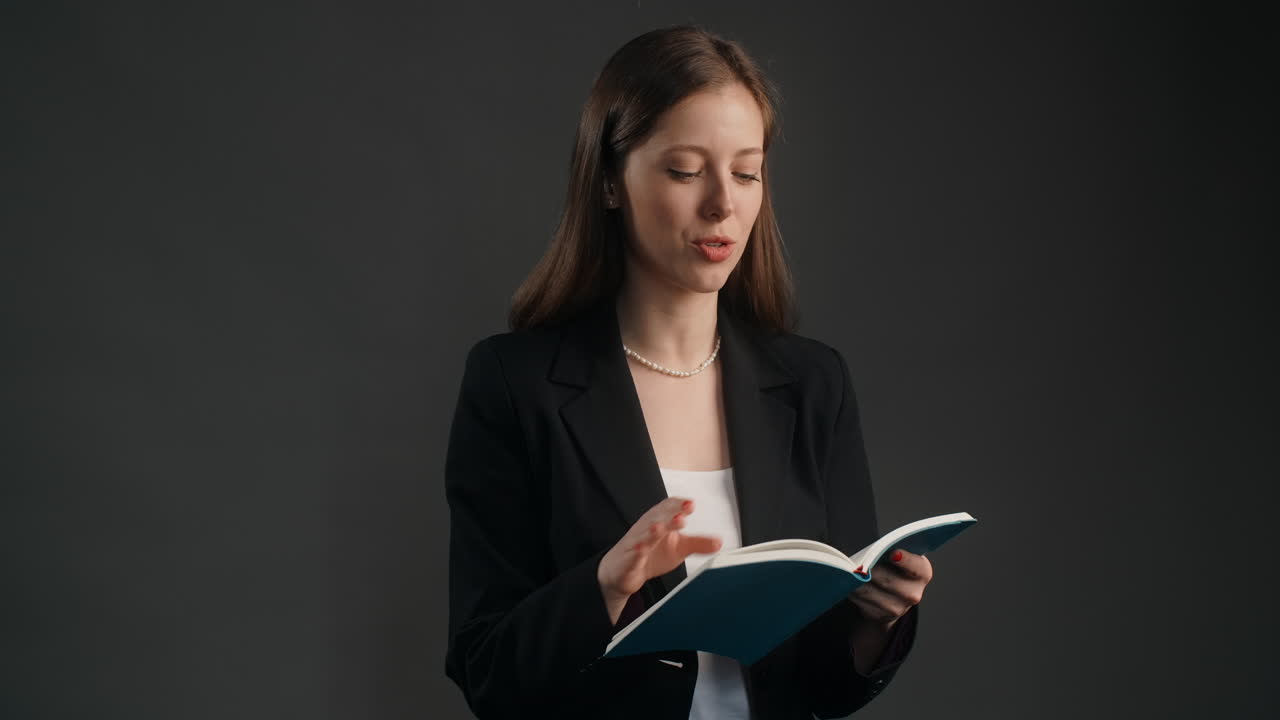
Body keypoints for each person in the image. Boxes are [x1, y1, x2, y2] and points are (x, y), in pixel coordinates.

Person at [444, 25, 934, 720]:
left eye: (746, 172)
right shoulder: (514, 383)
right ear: (611, 182)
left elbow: (825, 683)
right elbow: (487, 671)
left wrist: (878, 621)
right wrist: (604, 589)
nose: (722, 204)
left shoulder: (813, 383)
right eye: (684, 170)